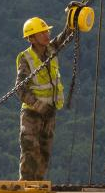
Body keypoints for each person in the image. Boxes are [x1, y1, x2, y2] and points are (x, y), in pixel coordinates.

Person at [15, 16, 72, 181]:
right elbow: (20, 89)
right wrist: (38, 105)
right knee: (30, 150)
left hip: (49, 113)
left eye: (46, 31)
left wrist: (72, 20)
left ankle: (38, 186)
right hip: (32, 114)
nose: (46, 35)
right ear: (31, 38)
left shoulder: (51, 50)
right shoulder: (26, 58)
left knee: (44, 153)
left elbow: (65, 36)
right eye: (41, 33)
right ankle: (25, 185)